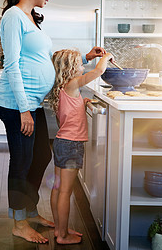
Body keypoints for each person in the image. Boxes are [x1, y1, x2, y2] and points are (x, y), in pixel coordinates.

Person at [0, 0, 107, 244]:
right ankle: (19, 223)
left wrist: (86, 57)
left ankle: (29, 211)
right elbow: (12, 65)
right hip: (15, 104)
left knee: (42, 155)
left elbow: (48, 58)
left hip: (32, 102)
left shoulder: (31, 19)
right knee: (21, 161)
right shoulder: (13, 17)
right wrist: (23, 109)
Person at [48, 48, 113, 244]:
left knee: (57, 188)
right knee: (66, 192)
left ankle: (60, 229)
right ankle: (63, 236)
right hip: (72, 145)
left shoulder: (62, 88)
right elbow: (98, 72)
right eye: (80, 64)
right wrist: (106, 58)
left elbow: (65, 117)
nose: (83, 67)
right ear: (70, 68)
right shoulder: (73, 83)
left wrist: (81, 103)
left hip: (61, 142)